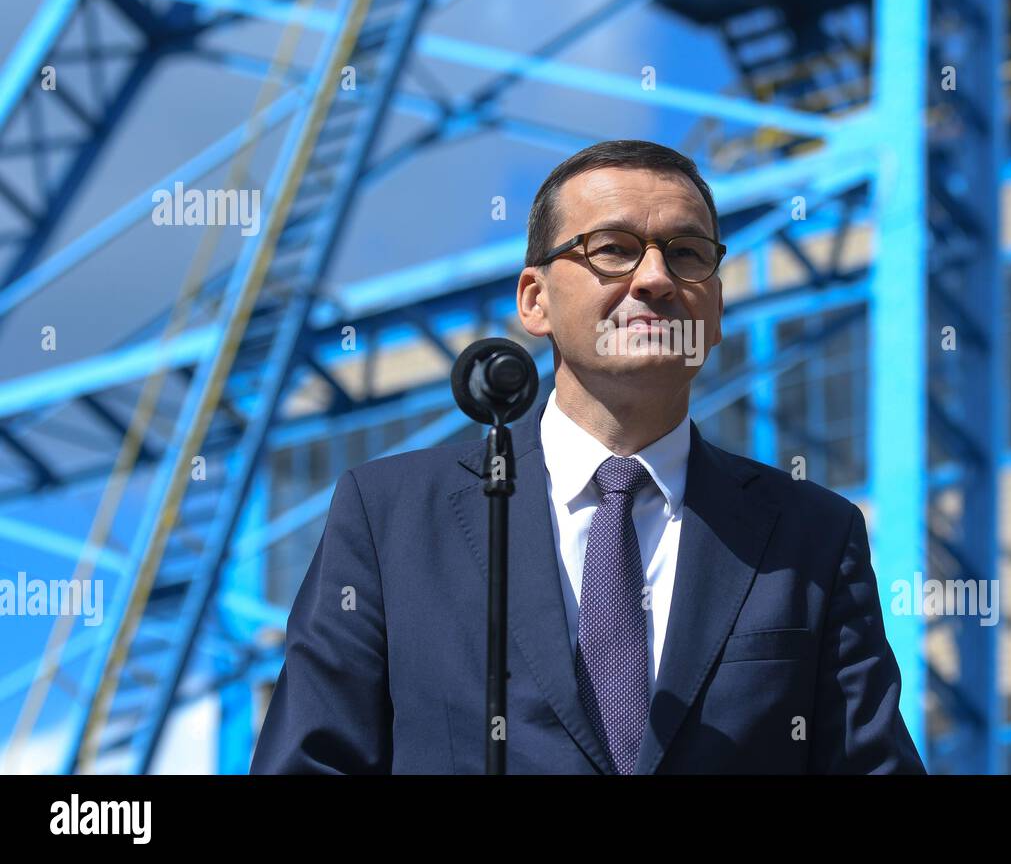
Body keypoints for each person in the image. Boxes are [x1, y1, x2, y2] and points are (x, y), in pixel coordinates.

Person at [250, 139, 926, 774]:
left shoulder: (812, 534)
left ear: (714, 311)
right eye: (613, 249)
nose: (656, 279)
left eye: (688, 255)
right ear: (534, 300)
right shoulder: (389, 517)